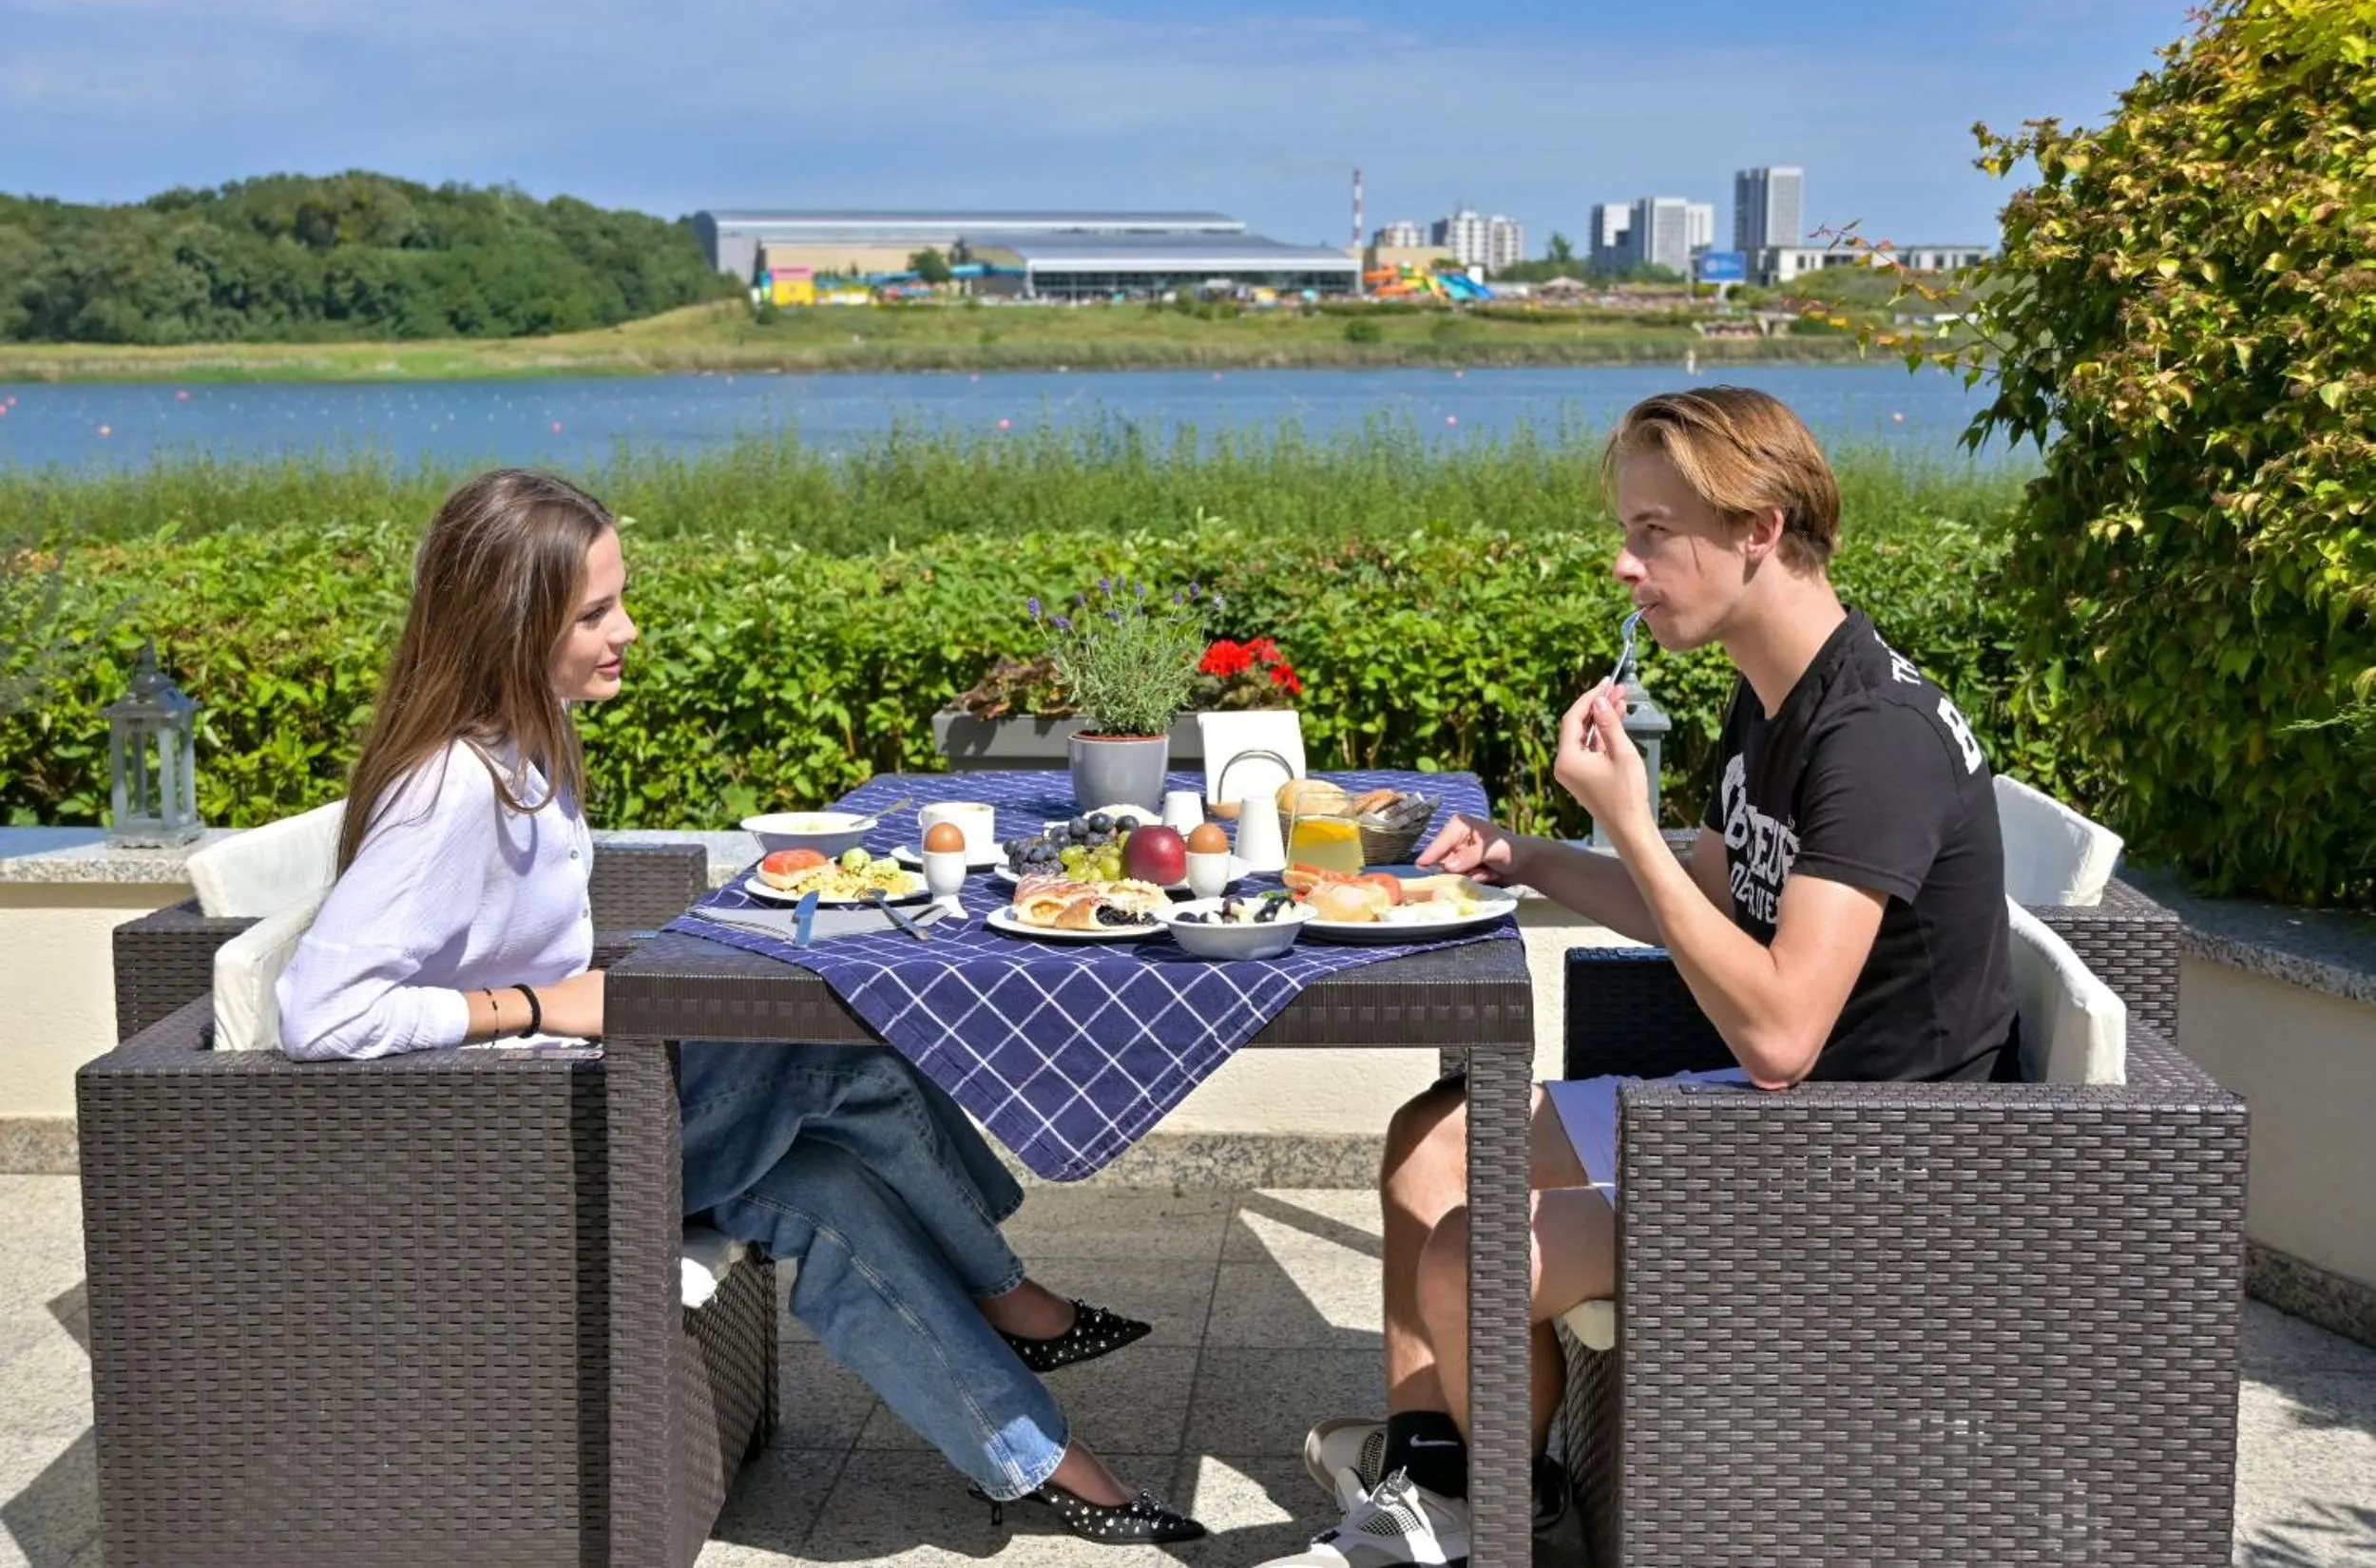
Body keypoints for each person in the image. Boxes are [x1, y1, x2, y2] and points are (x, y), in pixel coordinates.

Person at [278, 468, 1204, 1545]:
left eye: (619, 598)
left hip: (576, 1120)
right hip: (516, 1160)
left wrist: (579, 995)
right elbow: (321, 1013)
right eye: (593, 613)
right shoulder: (453, 790)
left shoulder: (531, 746)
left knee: (824, 1187)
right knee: (838, 1050)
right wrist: (530, 1004)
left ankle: (1032, 1459)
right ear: (508, 623)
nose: (628, 629)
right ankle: (1007, 1294)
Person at [1263, 387, 2018, 1568]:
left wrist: (1625, 817)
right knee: (1429, 1140)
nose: (1626, 562)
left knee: (1471, 1253)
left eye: (1654, 530)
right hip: (1785, 1113)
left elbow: (1778, 1034)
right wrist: (1528, 855)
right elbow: (1713, 901)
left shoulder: (1871, 736)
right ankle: (1451, 1482)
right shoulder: (1775, 692)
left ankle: (1498, 1527)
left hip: (1872, 1159)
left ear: (1758, 528)